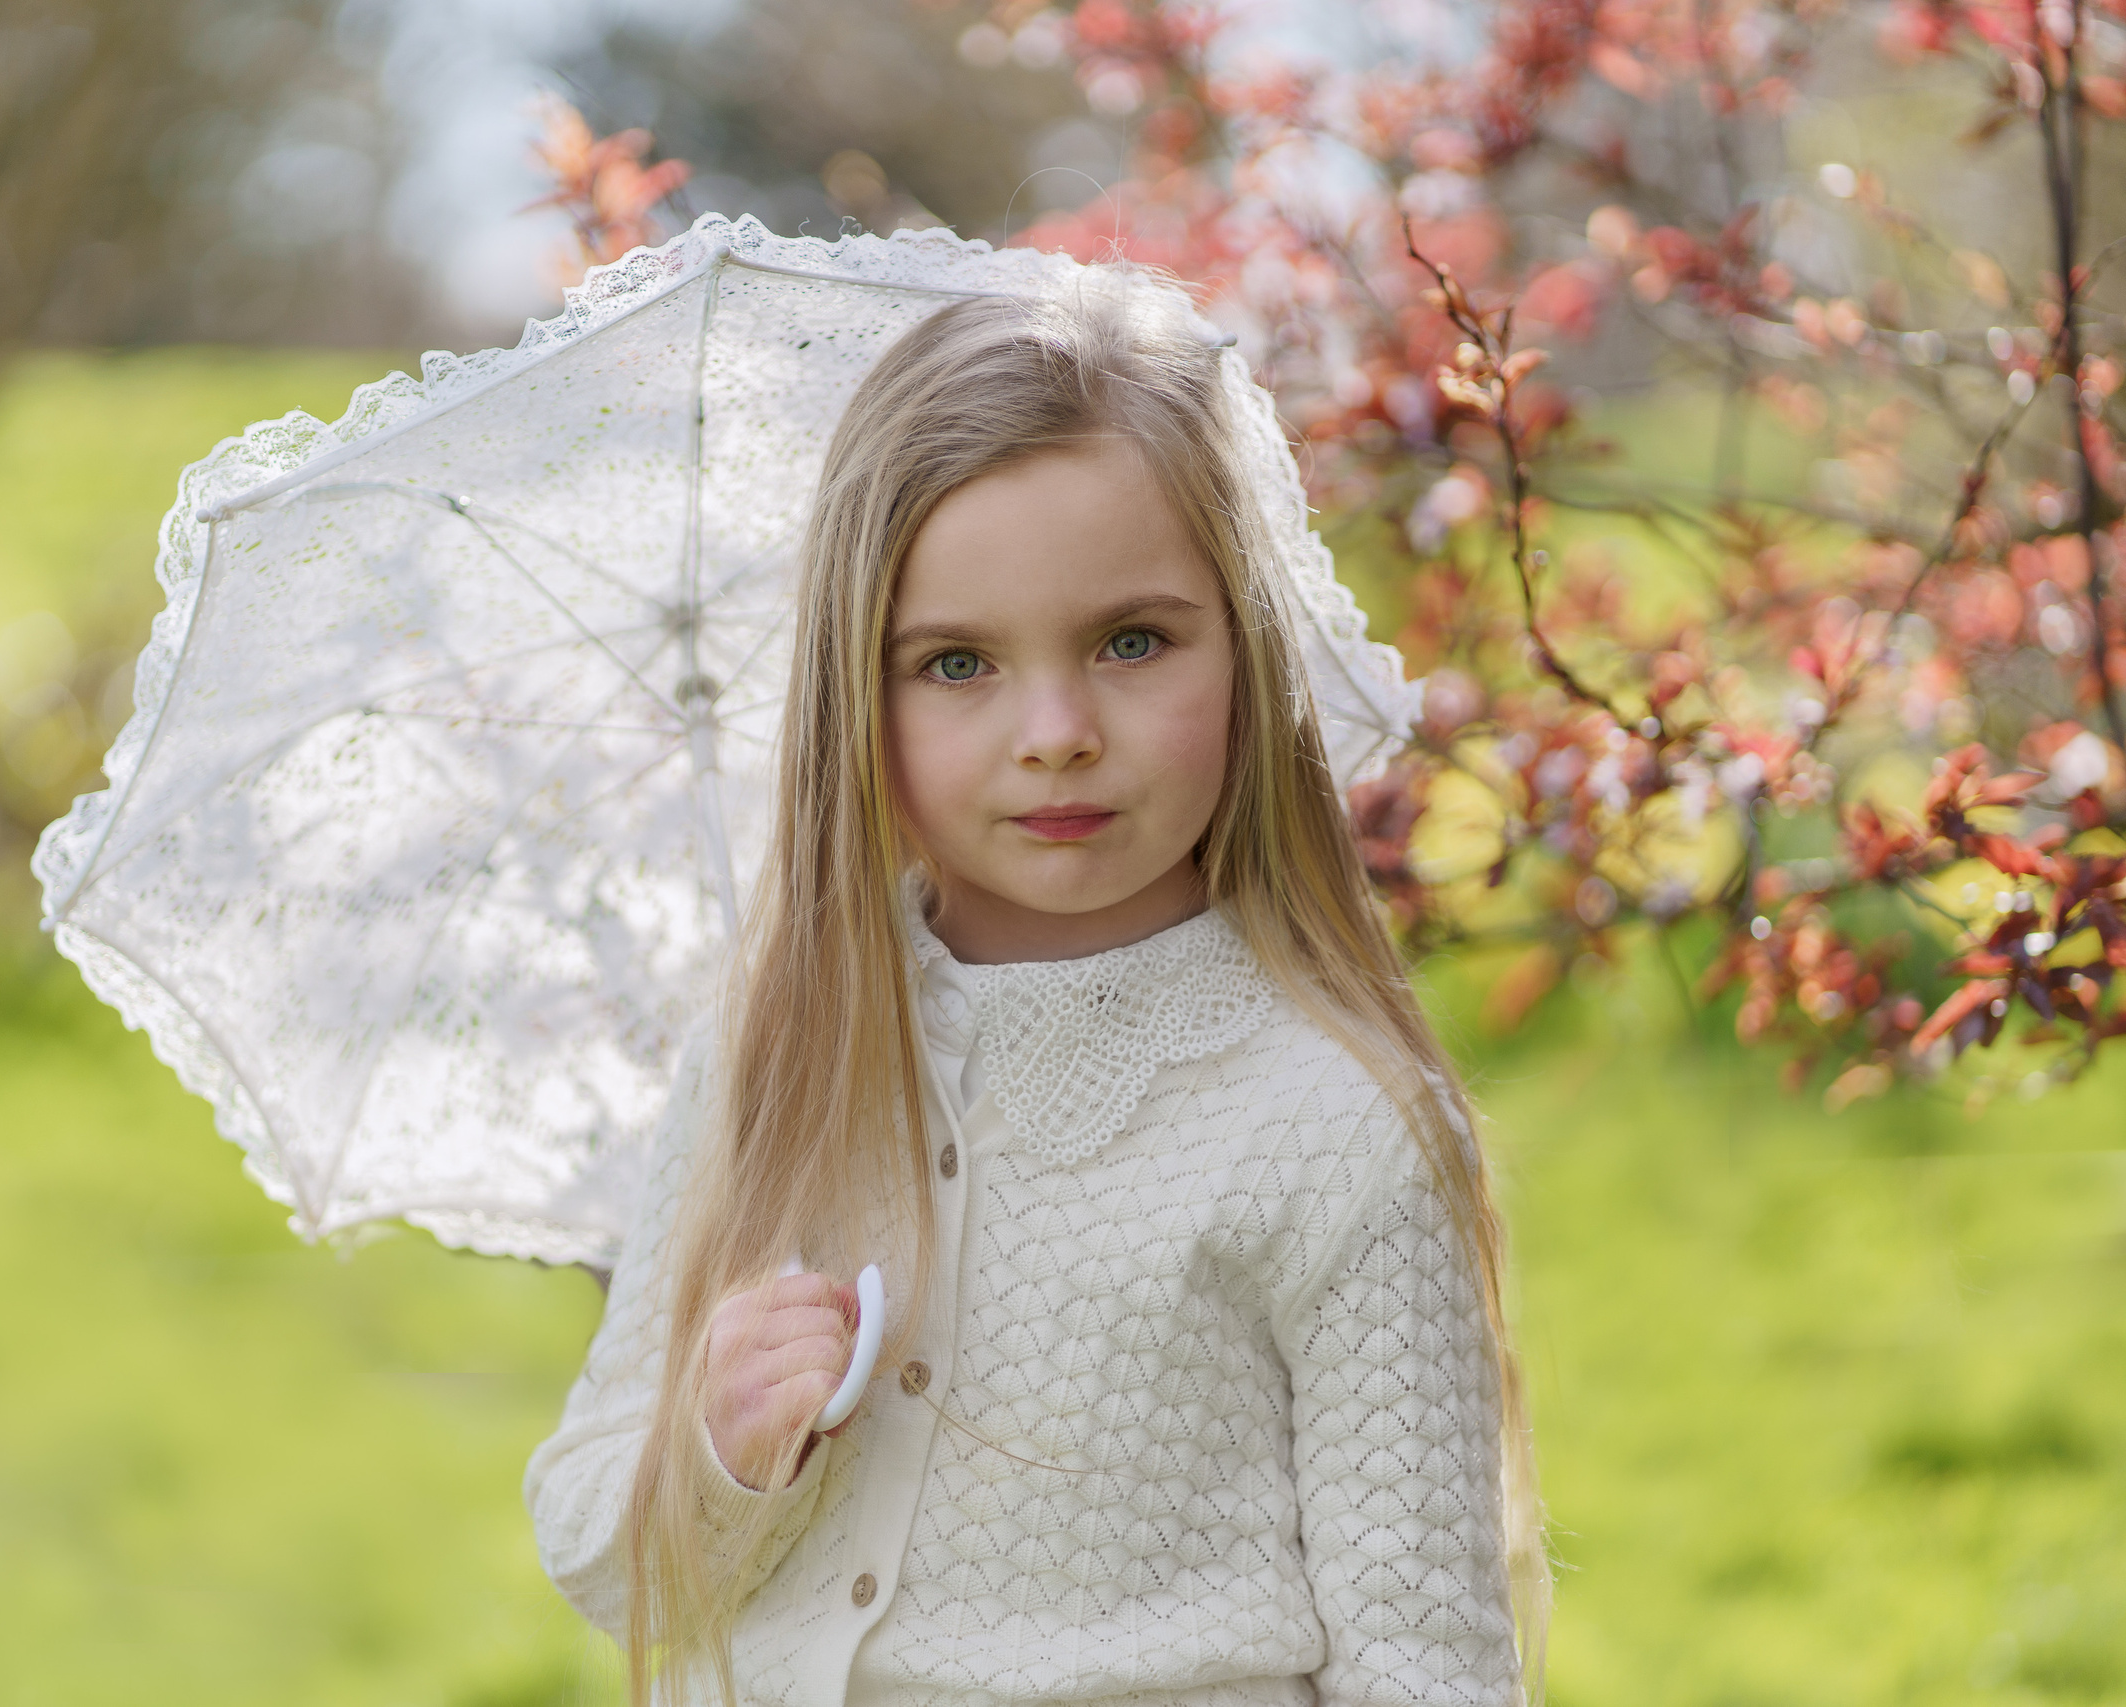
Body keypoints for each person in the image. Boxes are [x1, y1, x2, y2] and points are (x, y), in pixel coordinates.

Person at [524, 282, 1544, 1707]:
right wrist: (718, 1445)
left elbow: (1427, 1665)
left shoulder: (1334, 1119)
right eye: (957, 665)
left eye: (1133, 641)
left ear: (1245, 651)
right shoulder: (777, 1060)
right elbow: (589, 1537)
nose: (1056, 736)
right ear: (853, 702)